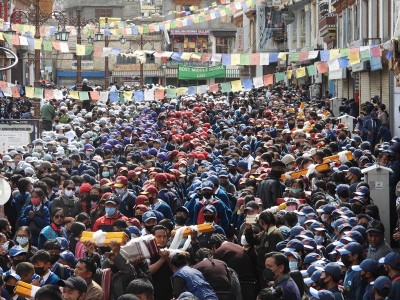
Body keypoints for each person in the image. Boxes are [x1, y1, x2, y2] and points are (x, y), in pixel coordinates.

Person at [149, 225, 173, 300]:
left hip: (169, 290)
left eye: (164, 236)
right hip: (153, 291)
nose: (162, 239)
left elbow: (174, 269)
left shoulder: (171, 250)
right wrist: (162, 259)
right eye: (159, 237)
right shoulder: (148, 252)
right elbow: (148, 271)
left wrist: (167, 258)